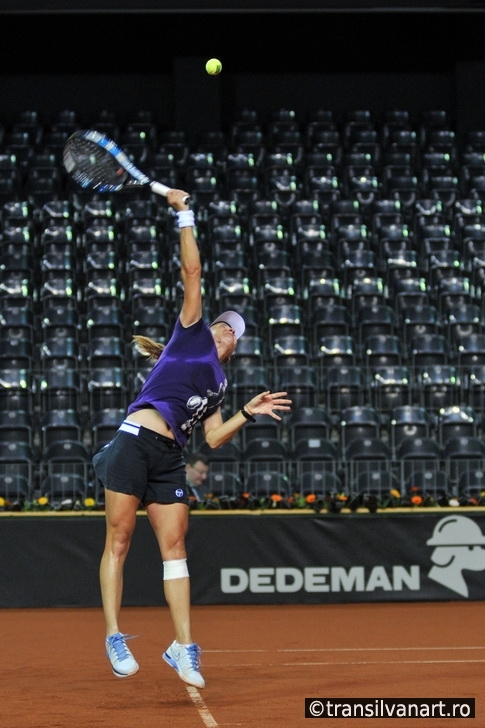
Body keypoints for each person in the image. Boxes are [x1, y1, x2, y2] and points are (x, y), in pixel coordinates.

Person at [93, 188, 292, 688]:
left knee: (176, 545)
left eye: (234, 333)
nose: (228, 333)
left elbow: (215, 438)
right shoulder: (191, 334)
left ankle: (183, 649)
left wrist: (248, 410)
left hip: (169, 458)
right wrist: (185, 215)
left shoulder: (220, 383)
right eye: (225, 326)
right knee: (119, 539)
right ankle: (114, 636)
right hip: (135, 440)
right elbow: (192, 273)